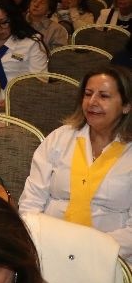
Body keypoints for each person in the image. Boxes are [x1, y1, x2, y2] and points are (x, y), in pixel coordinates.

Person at [19, 66, 132, 260]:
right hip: (47, 249)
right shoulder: (60, 138)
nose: (92, 102)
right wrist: (39, 240)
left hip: (107, 258)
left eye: (104, 96)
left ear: (126, 106)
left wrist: (87, 249)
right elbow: (32, 200)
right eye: (88, 94)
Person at [0, 0, 48, 98]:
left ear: (14, 20)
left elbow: (40, 81)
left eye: (4, 22)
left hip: (19, 101)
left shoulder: (31, 43)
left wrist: (11, 101)